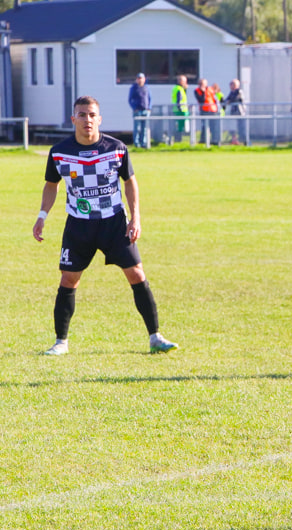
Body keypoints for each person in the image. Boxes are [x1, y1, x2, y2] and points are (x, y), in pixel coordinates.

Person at [33, 96, 178, 356]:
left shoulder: (117, 148)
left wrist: (136, 218)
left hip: (114, 223)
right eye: (82, 114)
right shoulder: (59, 152)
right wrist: (42, 214)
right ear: (73, 119)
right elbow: (51, 185)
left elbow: (130, 182)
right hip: (79, 226)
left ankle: (155, 337)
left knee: (136, 273)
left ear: (99, 119)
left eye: (91, 115)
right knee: (69, 279)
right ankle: (60, 343)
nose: (87, 120)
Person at [128, 72, 151, 148]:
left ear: (144, 79)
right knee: (137, 128)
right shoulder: (134, 88)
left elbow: (150, 98)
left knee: (144, 128)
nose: (140, 80)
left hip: (145, 110)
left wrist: (149, 108)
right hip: (137, 111)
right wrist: (134, 108)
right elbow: (130, 100)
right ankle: (136, 144)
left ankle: (143, 143)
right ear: (136, 79)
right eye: (139, 78)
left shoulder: (146, 88)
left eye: (141, 78)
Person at [194, 78, 219, 144]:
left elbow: (215, 98)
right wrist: (203, 92)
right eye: (200, 84)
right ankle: (203, 140)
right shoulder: (197, 91)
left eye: (203, 84)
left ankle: (214, 140)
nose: (202, 85)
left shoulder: (210, 89)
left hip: (213, 110)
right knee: (204, 126)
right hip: (204, 111)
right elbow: (201, 100)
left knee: (213, 126)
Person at [222, 78, 246, 145]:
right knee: (232, 127)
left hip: (240, 113)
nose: (231, 86)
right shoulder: (231, 92)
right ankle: (234, 140)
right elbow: (227, 100)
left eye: (232, 84)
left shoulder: (239, 91)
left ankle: (243, 141)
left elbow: (235, 99)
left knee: (241, 128)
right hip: (233, 113)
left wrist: (229, 101)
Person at [171, 75, 189, 144]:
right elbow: (179, 100)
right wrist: (180, 109)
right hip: (180, 111)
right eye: (184, 81)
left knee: (180, 127)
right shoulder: (179, 89)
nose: (185, 83)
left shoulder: (180, 88)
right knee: (179, 127)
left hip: (180, 110)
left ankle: (179, 140)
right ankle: (178, 140)